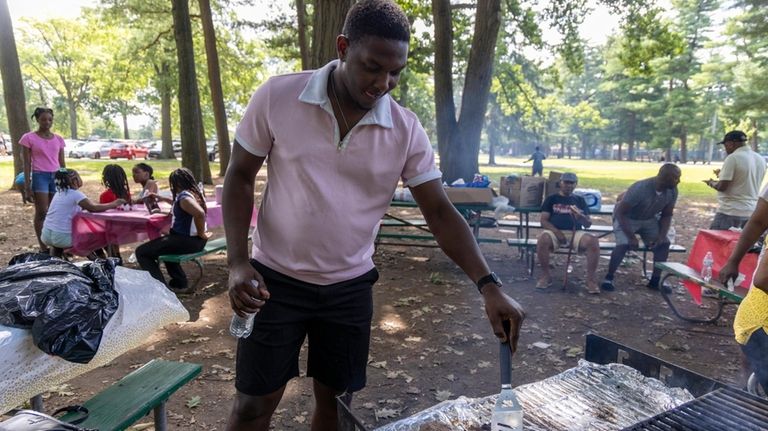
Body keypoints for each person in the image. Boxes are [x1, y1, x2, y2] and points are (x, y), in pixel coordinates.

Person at [222, 1, 525, 430]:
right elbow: (238, 177)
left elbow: (438, 211)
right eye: (372, 67)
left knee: (336, 405)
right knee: (255, 404)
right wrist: (237, 261)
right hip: (273, 283)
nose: (384, 83)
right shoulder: (278, 96)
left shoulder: (405, 129)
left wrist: (488, 285)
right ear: (343, 47)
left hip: (348, 290)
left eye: (395, 72)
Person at [601, 163, 681, 291]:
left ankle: (655, 281)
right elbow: (620, 212)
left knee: (664, 244)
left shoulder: (672, 191)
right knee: (623, 244)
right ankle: (609, 277)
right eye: (676, 178)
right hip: (627, 217)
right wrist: (631, 237)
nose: (679, 181)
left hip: (648, 218)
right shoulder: (640, 188)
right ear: (665, 177)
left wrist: (661, 236)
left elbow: (667, 214)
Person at [135, 168, 210, 294]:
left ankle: (161, 289)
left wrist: (202, 233)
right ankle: (179, 282)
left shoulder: (185, 198)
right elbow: (178, 204)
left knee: (141, 252)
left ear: (177, 183)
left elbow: (199, 214)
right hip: (195, 242)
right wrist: (160, 197)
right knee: (165, 246)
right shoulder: (195, 193)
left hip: (186, 241)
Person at [535, 173, 601, 294]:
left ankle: (591, 280)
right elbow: (544, 220)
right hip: (554, 232)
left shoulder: (580, 200)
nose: (568, 185)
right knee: (542, 239)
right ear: (560, 183)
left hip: (576, 232)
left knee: (593, 241)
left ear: (576, 185)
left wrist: (580, 217)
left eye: (572, 183)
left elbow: (588, 224)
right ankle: (545, 276)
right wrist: (557, 232)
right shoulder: (551, 199)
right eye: (566, 182)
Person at [41, 168, 125, 258]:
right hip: (63, 238)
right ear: (74, 181)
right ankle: (100, 261)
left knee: (57, 243)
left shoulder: (58, 193)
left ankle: (54, 262)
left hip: (46, 235)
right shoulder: (75, 194)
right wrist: (114, 204)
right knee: (94, 238)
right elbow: (93, 208)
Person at [20, 107, 66, 252]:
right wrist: (28, 186)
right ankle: (43, 247)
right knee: (41, 212)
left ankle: (56, 246)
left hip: (56, 176)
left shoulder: (58, 139)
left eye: (50, 119)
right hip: (40, 176)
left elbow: (62, 162)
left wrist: (65, 178)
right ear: (37, 120)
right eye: (44, 119)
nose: (47, 122)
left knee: (55, 212)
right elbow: (27, 164)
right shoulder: (28, 138)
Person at [704, 130, 766, 230]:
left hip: (730, 211)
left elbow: (722, 186)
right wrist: (722, 175)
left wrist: (711, 183)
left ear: (731, 143)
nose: (725, 149)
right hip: (751, 211)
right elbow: (745, 180)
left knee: (716, 244)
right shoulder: (760, 159)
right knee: (739, 244)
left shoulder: (733, 158)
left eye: (725, 145)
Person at [99, 164, 133, 260]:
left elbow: (103, 214)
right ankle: (117, 255)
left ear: (106, 178)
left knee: (93, 237)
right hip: (124, 226)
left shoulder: (105, 195)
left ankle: (109, 257)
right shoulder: (126, 193)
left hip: (110, 228)